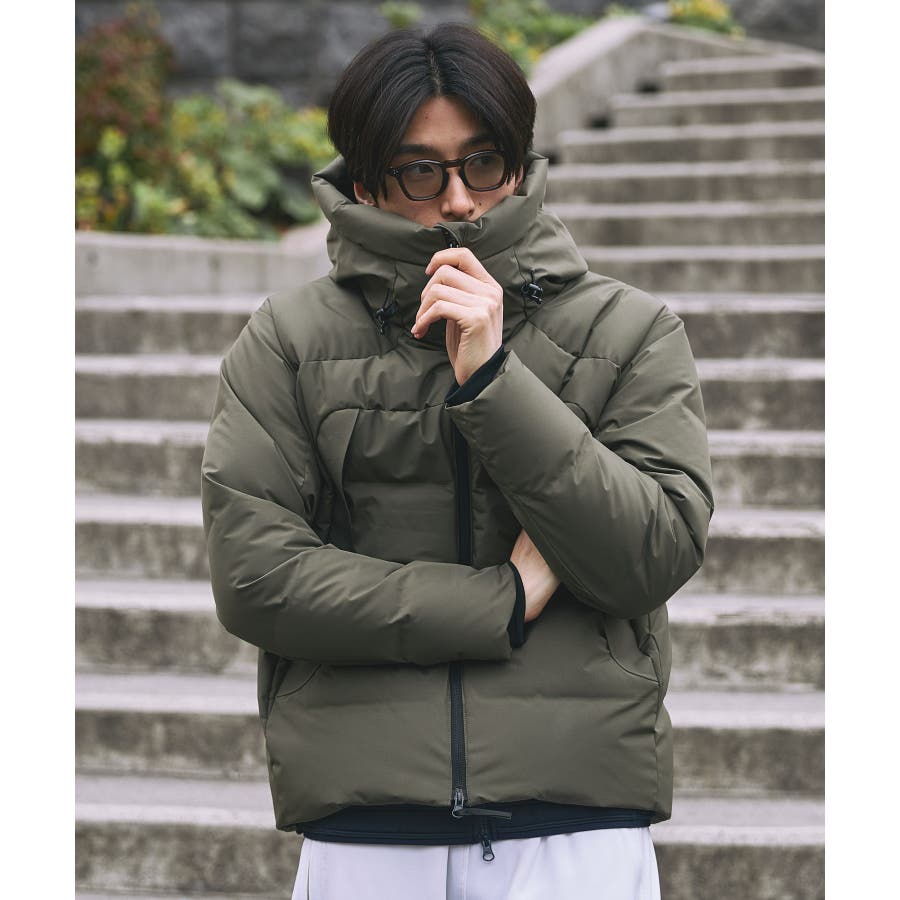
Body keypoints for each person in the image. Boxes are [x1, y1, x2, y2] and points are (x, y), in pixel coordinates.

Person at [200, 22, 714, 900]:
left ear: (518, 160)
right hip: (369, 820)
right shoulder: (288, 341)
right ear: (366, 181)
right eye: (420, 172)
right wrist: (499, 600)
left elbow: (652, 554)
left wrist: (495, 382)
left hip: (575, 819)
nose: (460, 201)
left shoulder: (629, 331)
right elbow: (256, 576)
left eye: (483, 163)